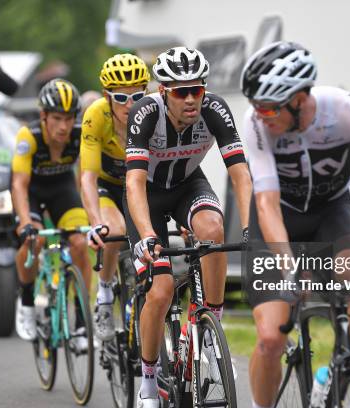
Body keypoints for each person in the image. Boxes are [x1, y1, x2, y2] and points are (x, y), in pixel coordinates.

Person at [240, 41, 350, 408]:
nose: (262, 116)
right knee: (271, 338)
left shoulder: (342, 109)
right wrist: (289, 267)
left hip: (331, 213)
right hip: (278, 220)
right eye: (257, 107)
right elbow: (266, 204)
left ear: (300, 99)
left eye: (270, 108)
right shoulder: (256, 123)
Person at [125, 47, 252, 408]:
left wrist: (251, 228)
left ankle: (210, 334)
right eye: (181, 91)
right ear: (164, 91)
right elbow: (133, 183)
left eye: (197, 89)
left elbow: (241, 175)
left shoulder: (214, 108)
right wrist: (148, 235)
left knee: (213, 228)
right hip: (146, 194)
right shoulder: (145, 112)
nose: (191, 98)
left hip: (187, 185)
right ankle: (148, 382)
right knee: (162, 290)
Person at [11, 79, 92, 346]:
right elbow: (19, 184)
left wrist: (90, 215)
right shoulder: (29, 136)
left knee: (80, 241)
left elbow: (85, 177)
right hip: (31, 190)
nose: (64, 126)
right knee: (35, 240)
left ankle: (82, 322)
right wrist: (25, 222)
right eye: (57, 118)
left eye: (69, 119)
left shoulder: (80, 134)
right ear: (44, 116)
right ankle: (25, 301)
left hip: (61, 189)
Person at [80, 54, 150, 341]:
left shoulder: (153, 113)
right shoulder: (96, 115)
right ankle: (105, 292)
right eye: (120, 97)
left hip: (141, 185)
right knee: (116, 232)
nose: (130, 104)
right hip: (108, 185)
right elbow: (87, 176)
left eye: (137, 95)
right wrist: (96, 222)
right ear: (107, 97)